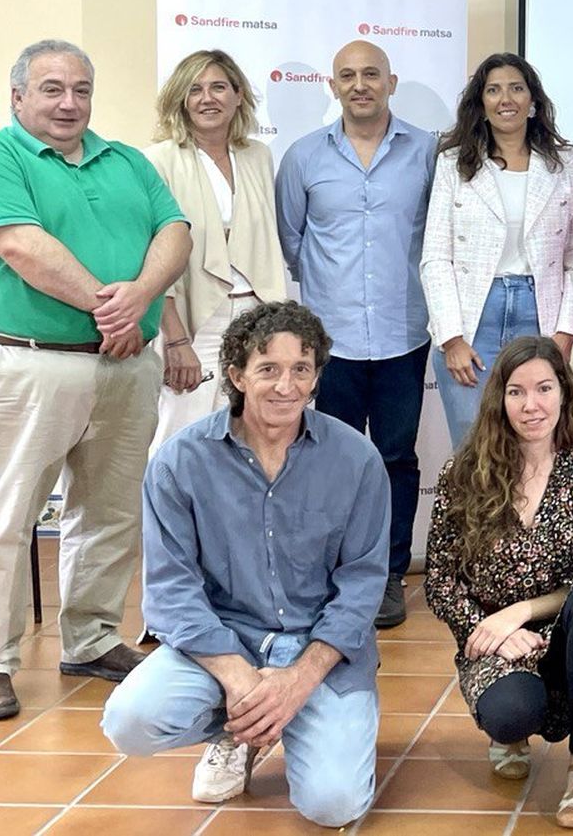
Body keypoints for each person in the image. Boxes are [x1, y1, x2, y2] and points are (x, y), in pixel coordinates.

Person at [101, 301, 388, 828]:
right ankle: (236, 732)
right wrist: (243, 682)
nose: (286, 386)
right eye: (268, 369)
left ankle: (314, 718)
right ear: (235, 375)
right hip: (224, 645)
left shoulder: (356, 460)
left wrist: (298, 681)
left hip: (317, 652)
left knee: (333, 806)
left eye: (301, 369)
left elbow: (363, 585)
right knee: (129, 722)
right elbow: (170, 590)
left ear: (317, 375)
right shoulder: (180, 462)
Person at [0, 40, 192, 720]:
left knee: (109, 510)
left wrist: (139, 297)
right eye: (51, 89)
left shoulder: (128, 160)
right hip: (34, 363)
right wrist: (109, 305)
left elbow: (175, 232)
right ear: (18, 95)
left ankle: (92, 637)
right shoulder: (6, 154)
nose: (69, 103)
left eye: (81, 89)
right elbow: (19, 244)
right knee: (9, 516)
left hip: (125, 366)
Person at [424, 335, 573, 827]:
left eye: (544, 389)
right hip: (494, 641)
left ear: (564, 395)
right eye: (516, 391)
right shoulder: (464, 473)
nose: (532, 405)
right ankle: (507, 733)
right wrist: (487, 629)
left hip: (563, 634)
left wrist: (523, 611)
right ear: (499, 399)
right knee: (513, 712)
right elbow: (441, 580)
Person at [276, 39, 437, 628]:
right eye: (348, 75)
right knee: (327, 461)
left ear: (391, 82)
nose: (360, 84)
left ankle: (389, 575)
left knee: (395, 457)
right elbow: (292, 243)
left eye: (371, 74)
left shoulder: (427, 152)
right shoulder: (302, 158)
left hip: (403, 332)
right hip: (330, 339)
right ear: (333, 85)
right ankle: (331, 574)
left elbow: (438, 234)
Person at [421, 53, 573, 446]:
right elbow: (435, 257)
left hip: (538, 313)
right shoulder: (453, 163)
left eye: (516, 88)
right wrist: (451, 338)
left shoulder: (563, 164)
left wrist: (564, 333)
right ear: (481, 103)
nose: (505, 98)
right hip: (473, 317)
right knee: (472, 444)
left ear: (533, 101)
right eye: (493, 90)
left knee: (536, 442)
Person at [144, 49, 288, 448]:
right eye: (195, 90)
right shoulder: (159, 161)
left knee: (251, 432)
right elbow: (153, 258)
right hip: (193, 319)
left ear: (238, 95)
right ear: (181, 99)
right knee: (182, 434)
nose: (207, 98)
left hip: (258, 314)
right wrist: (174, 340)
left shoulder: (258, 156)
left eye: (218, 87)